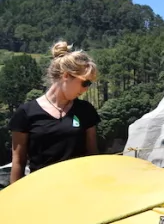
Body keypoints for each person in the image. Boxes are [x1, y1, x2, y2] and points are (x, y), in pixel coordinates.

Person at [7, 41, 101, 185]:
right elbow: (18, 161)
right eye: (85, 83)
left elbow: (93, 154)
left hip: (80, 188)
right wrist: (14, 200)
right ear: (66, 76)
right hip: (41, 190)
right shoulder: (25, 113)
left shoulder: (86, 110)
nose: (86, 89)